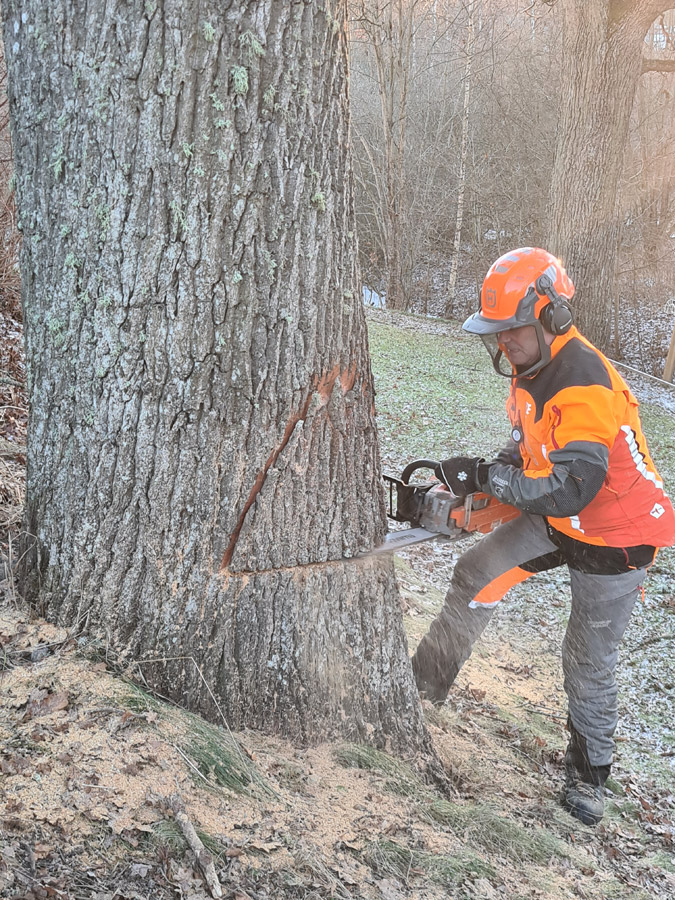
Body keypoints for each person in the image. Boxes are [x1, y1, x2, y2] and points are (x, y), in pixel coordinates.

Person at [411, 247, 675, 826]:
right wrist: (490, 475)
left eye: (513, 330)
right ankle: (423, 687)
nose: (503, 342)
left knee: (586, 656)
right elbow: (527, 446)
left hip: (615, 535)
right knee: (475, 572)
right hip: (561, 517)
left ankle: (589, 780)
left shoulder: (583, 381)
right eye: (496, 334)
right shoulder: (532, 372)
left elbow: (571, 486)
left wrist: (491, 479)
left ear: (551, 316)